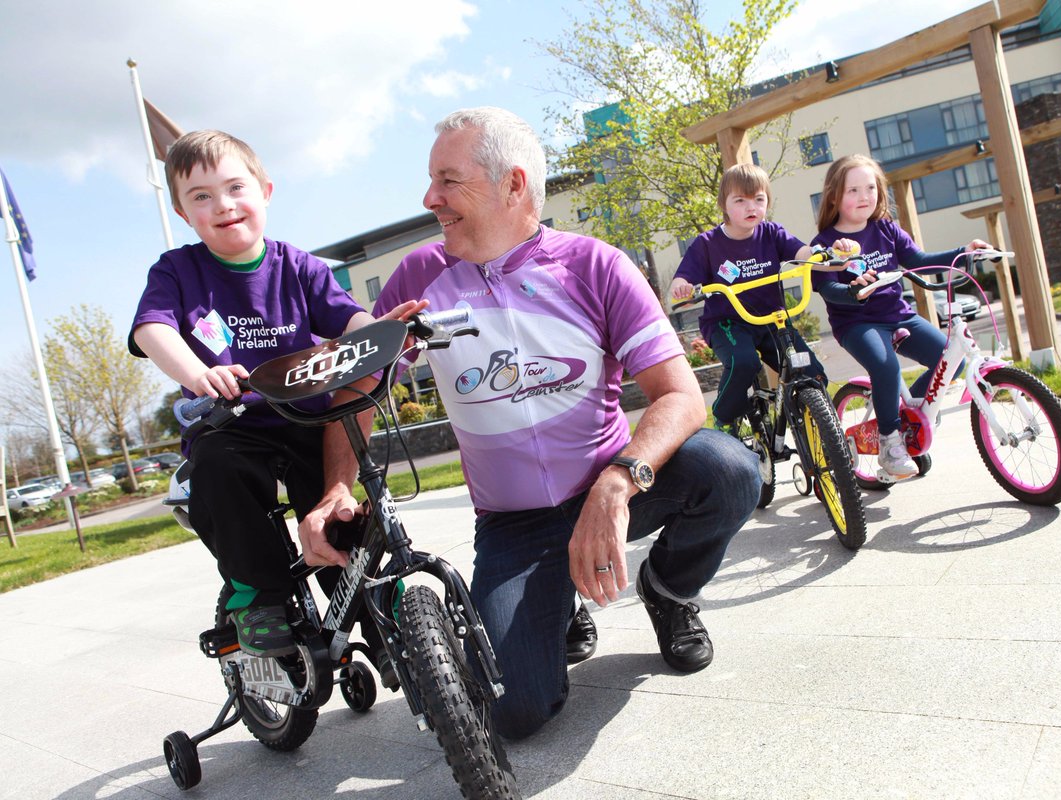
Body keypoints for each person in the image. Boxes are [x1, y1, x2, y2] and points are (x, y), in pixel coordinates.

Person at [299, 107, 761, 740]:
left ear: (513, 185)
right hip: (514, 525)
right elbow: (356, 391)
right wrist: (337, 489)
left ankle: (670, 591)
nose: (429, 198)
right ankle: (554, 605)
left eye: (448, 180)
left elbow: (681, 396)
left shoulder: (597, 265)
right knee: (513, 711)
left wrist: (618, 483)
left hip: (609, 487)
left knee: (729, 468)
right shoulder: (416, 276)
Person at [128, 130, 384, 662]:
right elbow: (153, 330)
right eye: (201, 196)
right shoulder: (177, 270)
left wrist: (381, 333)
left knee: (338, 511)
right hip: (231, 424)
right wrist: (200, 374)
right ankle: (258, 598)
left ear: (265, 190)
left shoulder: (301, 268)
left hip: (303, 421)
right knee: (220, 474)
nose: (222, 205)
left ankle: (380, 617)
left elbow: (351, 319)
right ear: (183, 211)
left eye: (234, 187)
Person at [810, 154, 989, 478]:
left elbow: (920, 259)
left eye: (870, 188)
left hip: (898, 315)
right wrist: (850, 292)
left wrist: (964, 252)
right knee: (886, 366)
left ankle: (914, 411)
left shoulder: (886, 229)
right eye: (853, 190)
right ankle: (890, 443)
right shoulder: (825, 244)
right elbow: (826, 288)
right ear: (834, 196)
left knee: (952, 358)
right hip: (857, 323)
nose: (864, 196)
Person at [668, 164, 854, 434]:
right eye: (740, 200)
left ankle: (809, 422)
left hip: (771, 320)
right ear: (724, 204)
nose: (750, 207)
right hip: (728, 322)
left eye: (758, 199)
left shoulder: (772, 233)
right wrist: (682, 287)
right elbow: (681, 279)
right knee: (745, 362)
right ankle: (724, 414)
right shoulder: (707, 243)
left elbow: (805, 254)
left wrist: (833, 256)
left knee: (811, 372)